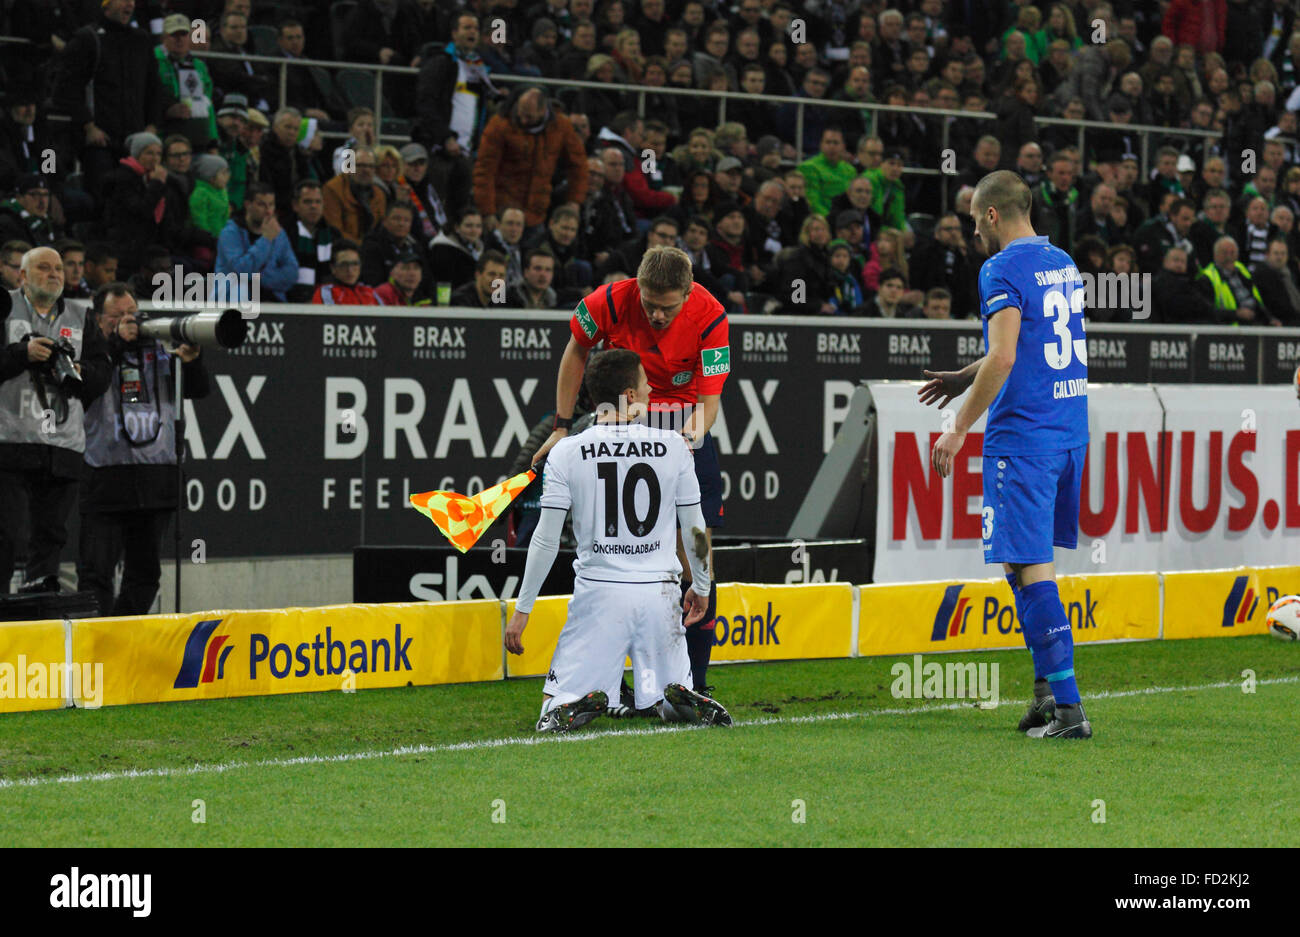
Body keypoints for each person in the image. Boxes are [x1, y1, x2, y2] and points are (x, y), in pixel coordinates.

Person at [919, 170, 1092, 740]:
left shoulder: (999, 268)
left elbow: (1005, 357)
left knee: (1030, 566)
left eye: (974, 221)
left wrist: (958, 427)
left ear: (992, 214)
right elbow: (1020, 345)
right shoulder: (1062, 262)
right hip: (1067, 434)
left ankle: (1069, 710)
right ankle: (1047, 694)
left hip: (1024, 440)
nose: (974, 232)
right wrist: (962, 376)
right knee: (1024, 565)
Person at [530, 246, 729, 695]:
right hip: (616, 423)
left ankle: (694, 683)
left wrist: (685, 443)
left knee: (693, 555)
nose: (657, 314)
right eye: (649, 303)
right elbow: (575, 353)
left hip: (681, 430)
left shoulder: (712, 317)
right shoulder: (605, 301)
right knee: (611, 548)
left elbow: (709, 402)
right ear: (636, 286)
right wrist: (562, 426)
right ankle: (606, 678)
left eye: (668, 306)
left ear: (689, 292)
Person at [504, 347, 730, 731]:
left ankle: (573, 703)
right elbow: (695, 528)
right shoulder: (675, 447)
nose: (650, 392)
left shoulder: (567, 452)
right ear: (628, 396)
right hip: (660, 595)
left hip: (599, 595)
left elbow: (545, 539)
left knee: (550, 713)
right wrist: (703, 586)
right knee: (666, 699)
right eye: (644, 385)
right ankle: (678, 698)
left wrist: (522, 611)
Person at [77, 283, 209, 616]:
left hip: (157, 474)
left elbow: (199, 389)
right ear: (97, 319)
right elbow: (89, 383)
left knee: (145, 574)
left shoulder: (160, 348)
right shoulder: (89, 351)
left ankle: (123, 637)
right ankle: (96, 645)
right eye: (117, 316)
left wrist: (191, 362)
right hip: (107, 474)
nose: (128, 322)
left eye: (132, 314)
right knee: (95, 572)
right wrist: (116, 344)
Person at [0, 247, 112, 594]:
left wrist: (79, 371)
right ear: (22, 276)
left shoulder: (81, 317)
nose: (55, 274)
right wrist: (23, 353)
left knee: (52, 534)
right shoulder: (5, 307)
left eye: (59, 269)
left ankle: (40, 603)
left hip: (61, 443)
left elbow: (102, 373)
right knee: (8, 534)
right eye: (44, 268)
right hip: (11, 438)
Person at [215, 182, 299, 303]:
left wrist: (257, 279)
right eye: (262, 205)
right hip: (234, 299)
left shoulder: (279, 233)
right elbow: (241, 270)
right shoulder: (230, 233)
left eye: (271, 205)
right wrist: (266, 240)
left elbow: (291, 273)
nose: (268, 211)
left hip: (271, 297)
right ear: (248, 205)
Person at [312, 240, 380, 305]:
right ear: (333, 268)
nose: (350, 270)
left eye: (355, 263)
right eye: (344, 264)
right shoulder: (325, 293)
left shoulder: (370, 292)